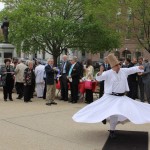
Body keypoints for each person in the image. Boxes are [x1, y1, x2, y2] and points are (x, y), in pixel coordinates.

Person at [72, 53, 150, 139]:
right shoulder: (108, 73)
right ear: (112, 66)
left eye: (119, 65)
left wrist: (139, 68)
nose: (118, 67)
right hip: (110, 97)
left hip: (121, 97)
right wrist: (100, 72)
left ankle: (106, 119)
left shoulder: (124, 71)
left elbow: (132, 69)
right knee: (113, 113)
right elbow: (98, 78)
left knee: (128, 111)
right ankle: (111, 129)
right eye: (116, 65)